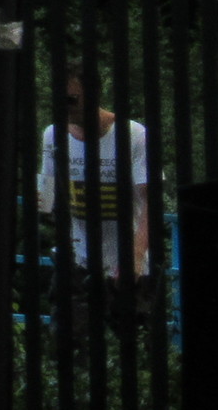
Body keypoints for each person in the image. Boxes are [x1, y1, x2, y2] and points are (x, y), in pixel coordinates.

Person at [38, 72, 155, 324]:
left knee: (130, 338)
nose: (64, 107)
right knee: (67, 339)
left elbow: (151, 200)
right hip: (76, 262)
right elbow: (47, 196)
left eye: (71, 99)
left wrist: (135, 256)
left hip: (126, 265)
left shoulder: (133, 135)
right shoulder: (52, 135)